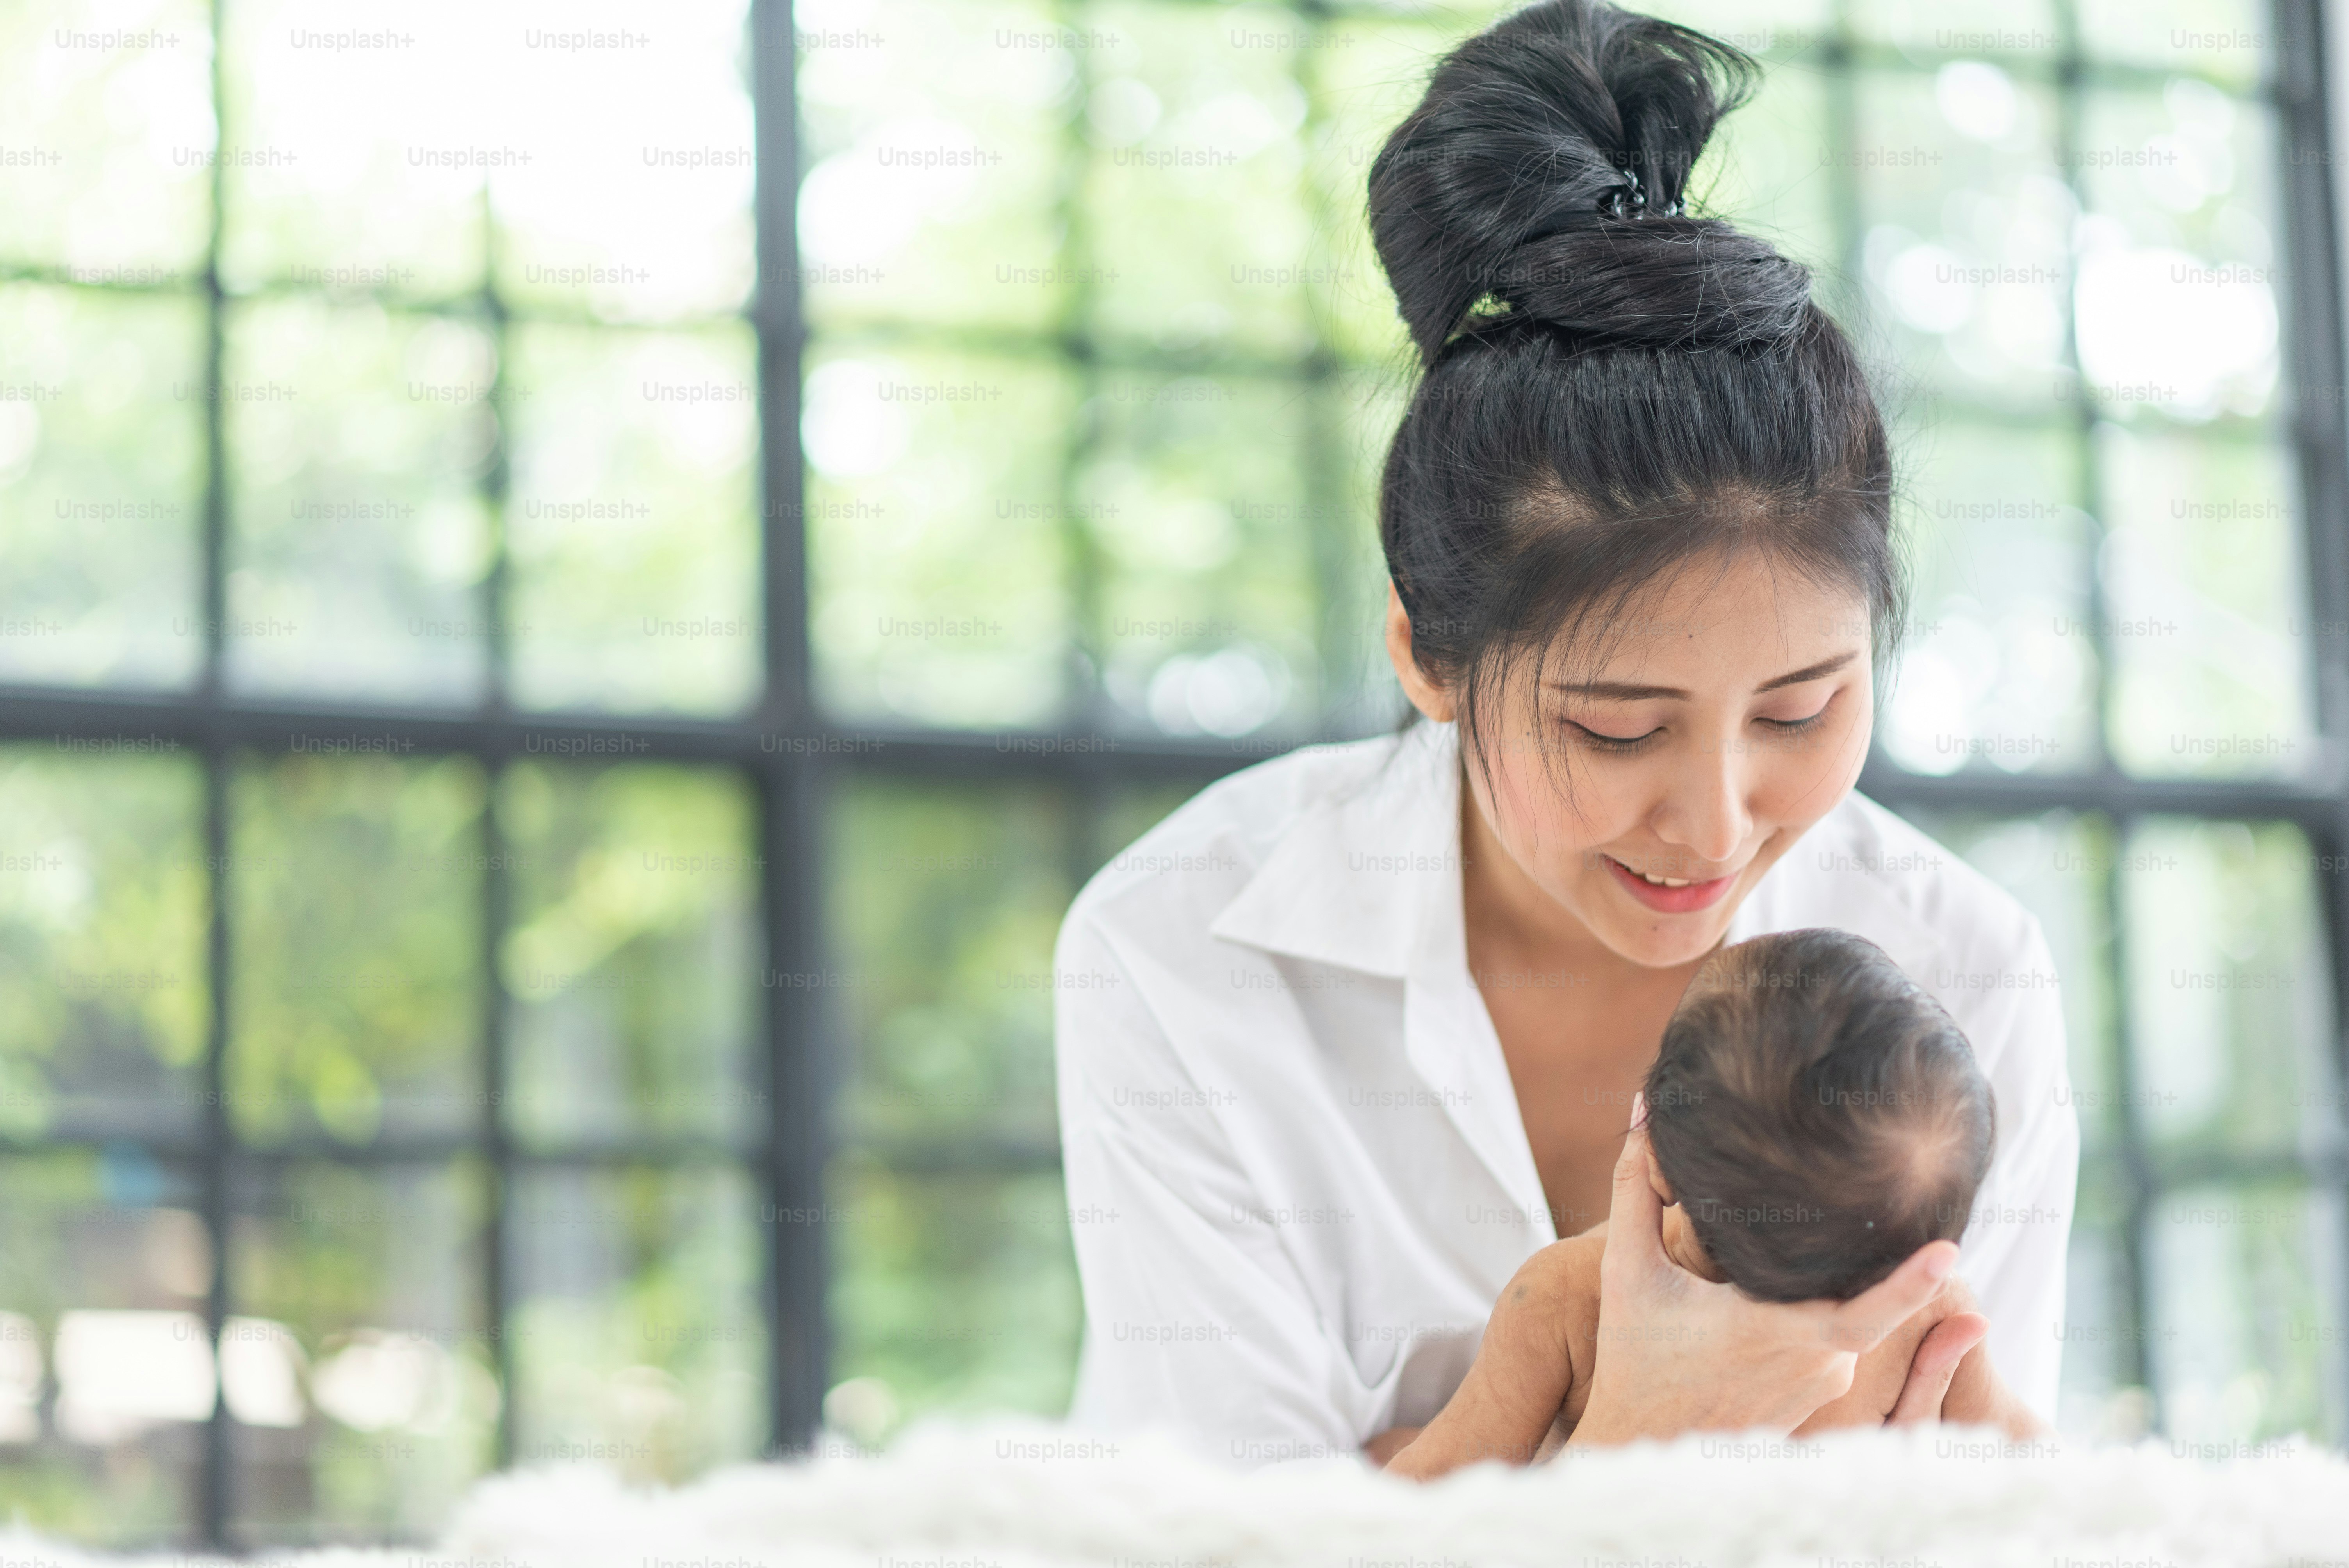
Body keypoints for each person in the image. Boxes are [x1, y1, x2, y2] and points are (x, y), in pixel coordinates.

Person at [1051, 0, 2078, 1474]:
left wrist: (1443, 1464)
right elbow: (1227, 1536)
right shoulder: (1187, 947)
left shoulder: (1967, 973)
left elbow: (1995, 1501)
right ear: (1427, 653)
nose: (1715, 822)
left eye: (1799, 709)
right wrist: (1641, 1435)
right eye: (1611, 729)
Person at [1404, 928, 2045, 1474]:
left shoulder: (1568, 1301)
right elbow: (2044, 1482)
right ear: (1922, 1255)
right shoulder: (1930, 1323)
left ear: (1652, 1150)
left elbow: (1419, 1513)